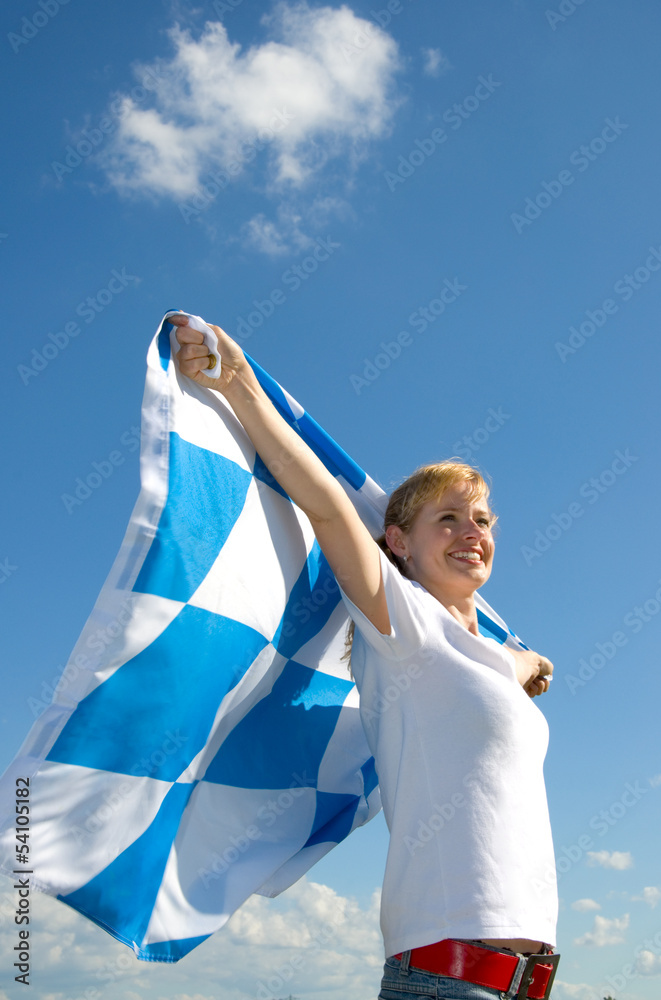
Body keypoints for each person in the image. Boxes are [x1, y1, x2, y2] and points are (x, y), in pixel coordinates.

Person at [171, 314, 559, 1000]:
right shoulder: (404, 627)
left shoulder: (490, 658)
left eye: (483, 520)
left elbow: (516, 670)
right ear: (401, 544)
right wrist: (237, 383)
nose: (472, 531)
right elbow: (325, 504)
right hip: (446, 979)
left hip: (527, 985)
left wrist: (532, 665)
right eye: (448, 518)